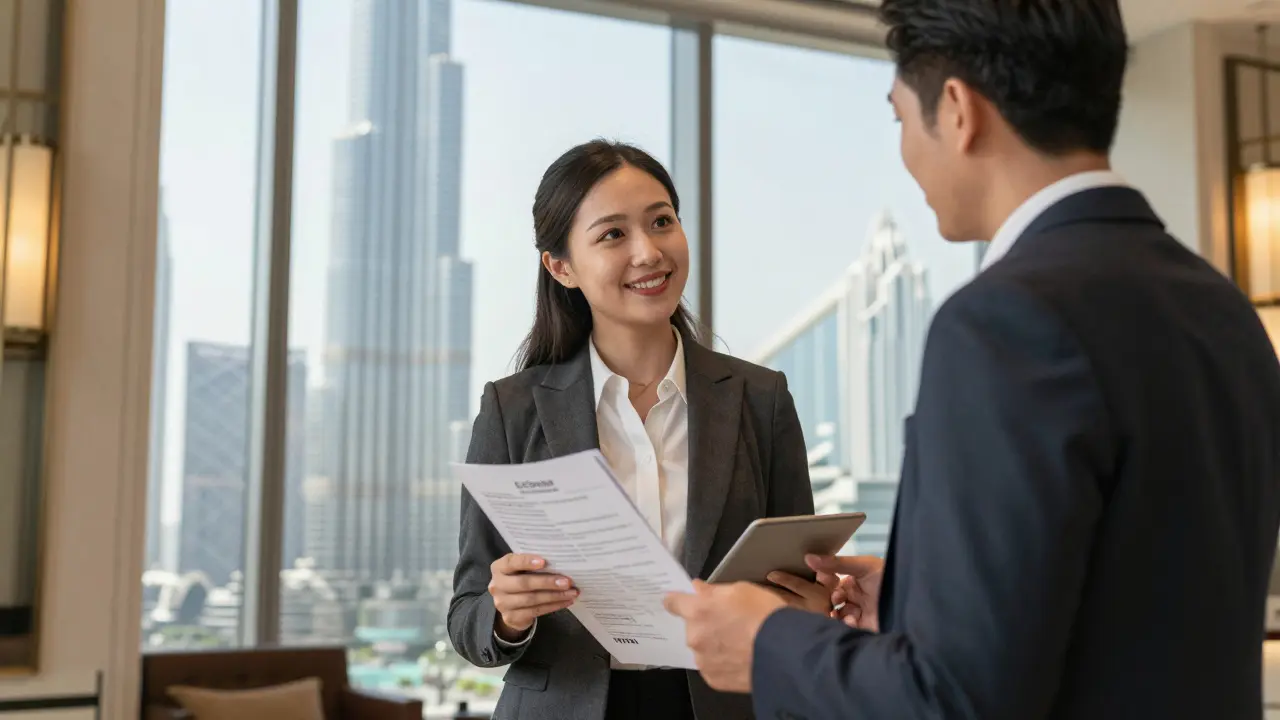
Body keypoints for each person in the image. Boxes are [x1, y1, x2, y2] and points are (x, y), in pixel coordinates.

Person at [664, 1, 1280, 718]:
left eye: (899, 119)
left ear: (957, 109)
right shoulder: (1223, 308)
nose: (904, 152)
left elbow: (957, 701)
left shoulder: (1002, 320)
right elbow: (1139, 602)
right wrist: (913, 598)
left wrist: (767, 642)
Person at [448, 139, 828, 720]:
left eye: (661, 222)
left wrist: (809, 603)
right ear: (561, 266)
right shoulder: (512, 409)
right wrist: (506, 612)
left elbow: (798, 578)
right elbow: (467, 618)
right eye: (612, 235)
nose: (649, 252)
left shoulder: (761, 398)